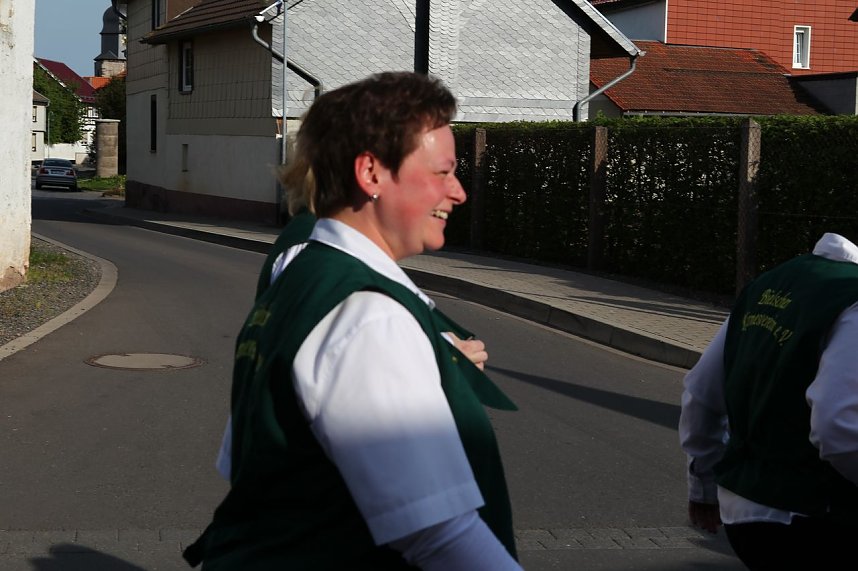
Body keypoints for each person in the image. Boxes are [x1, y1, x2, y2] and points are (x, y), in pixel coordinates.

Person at [185, 71, 521, 570]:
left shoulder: (303, 281)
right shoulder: (369, 315)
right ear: (371, 174)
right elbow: (436, 531)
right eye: (442, 172)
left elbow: (244, 462)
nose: (458, 193)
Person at [679, 232, 858, 570]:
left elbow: (700, 391)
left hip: (743, 514)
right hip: (816, 518)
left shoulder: (770, 284)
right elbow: (837, 428)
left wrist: (702, 485)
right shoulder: (853, 299)